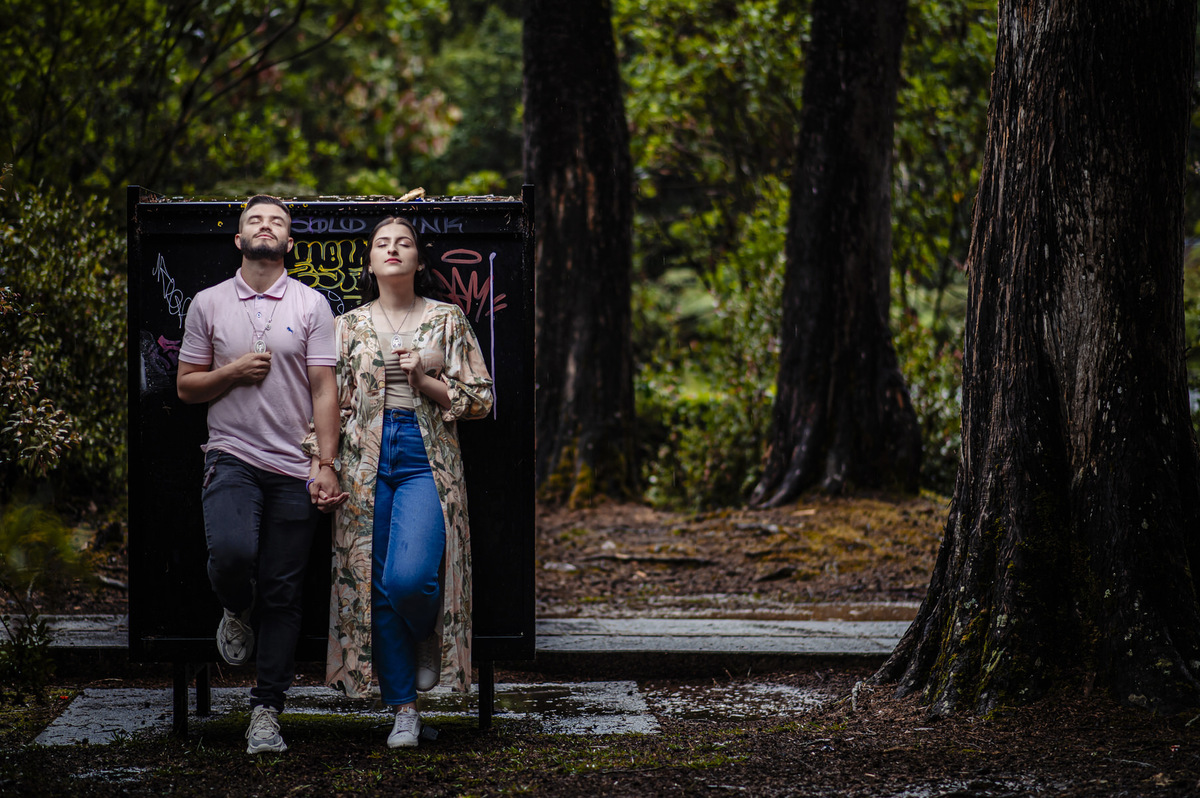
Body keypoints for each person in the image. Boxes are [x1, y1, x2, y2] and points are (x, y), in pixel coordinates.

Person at [311, 216, 492, 749]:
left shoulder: (447, 320)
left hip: (424, 461)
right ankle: (404, 712)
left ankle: (426, 635)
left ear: (418, 259)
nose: (393, 250)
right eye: (382, 244)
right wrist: (319, 464)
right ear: (369, 262)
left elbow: (480, 399)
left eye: (404, 243)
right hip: (363, 463)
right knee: (374, 584)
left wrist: (423, 380)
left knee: (408, 581)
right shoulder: (347, 326)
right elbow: (329, 405)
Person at [177, 194, 347, 755]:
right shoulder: (207, 303)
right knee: (232, 556)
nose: (266, 228)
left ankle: (266, 711)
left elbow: (326, 388)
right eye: (256, 220)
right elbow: (185, 386)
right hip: (231, 455)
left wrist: (325, 463)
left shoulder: (311, 304)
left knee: (283, 590)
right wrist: (232, 371)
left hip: (295, 465)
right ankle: (232, 607)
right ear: (238, 239)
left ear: (290, 243)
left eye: (277, 222)